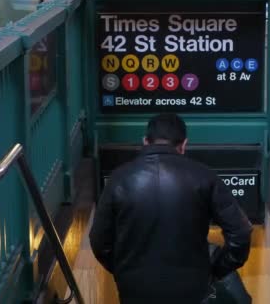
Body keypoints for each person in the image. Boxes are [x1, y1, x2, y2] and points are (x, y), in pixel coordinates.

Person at [89, 113, 252, 304]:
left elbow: (99, 241)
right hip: (192, 289)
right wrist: (215, 270)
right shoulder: (205, 177)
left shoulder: (118, 179)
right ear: (183, 145)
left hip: (136, 289)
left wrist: (123, 270)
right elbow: (240, 234)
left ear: (145, 141)